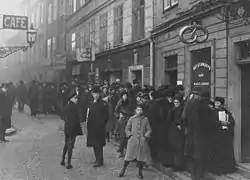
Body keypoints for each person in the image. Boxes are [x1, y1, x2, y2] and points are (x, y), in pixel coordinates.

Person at [118, 104, 152, 179]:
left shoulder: (145, 119)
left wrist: (145, 137)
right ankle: (123, 170)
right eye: (138, 110)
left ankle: (140, 172)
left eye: (140, 110)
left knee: (140, 158)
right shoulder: (132, 119)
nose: (139, 111)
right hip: (133, 141)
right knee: (128, 157)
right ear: (135, 111)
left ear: (143, 111)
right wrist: (130, 136)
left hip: (141, 142)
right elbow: (127, 128)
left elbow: (149, 129)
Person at [211, 97, 236, 174]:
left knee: (226, 152)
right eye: (215, 102)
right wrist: (220, 123)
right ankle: (218, 169)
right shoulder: (212, 112)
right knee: (217, 153)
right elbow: (211, 123)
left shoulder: (226, 112)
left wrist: (228, 123)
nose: (216, 104)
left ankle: (227, 168)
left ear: (222, 104)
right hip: (216, 135)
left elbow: (232, 121)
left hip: (225, 136)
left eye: (218, 103)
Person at [86, 86, 109, 167]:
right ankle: (97, 159)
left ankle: (100, 160)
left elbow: (106, 116)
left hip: (99, 127)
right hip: (92, 127)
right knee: (94, 144)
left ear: (99, 94)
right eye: (94, 94)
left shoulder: (103, 104)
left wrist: (102, 124)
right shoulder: (92, 104)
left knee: (99, 144)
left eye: (96, 94)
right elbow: (89, 116)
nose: (95, 95)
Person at [60, 90, 83, 169]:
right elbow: (78, 118)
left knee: (66, 144)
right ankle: (68, 163)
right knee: (71, 146)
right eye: (75, 98)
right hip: (73, 129)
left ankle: (62, 160)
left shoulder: (66, 106)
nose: (76, 99)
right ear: (71, 98)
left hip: (67, 128)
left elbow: (62, 116)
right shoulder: (75, 107)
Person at [167, 95, 185, 170]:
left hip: (181, 131)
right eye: (175, 102)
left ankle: (180, 164)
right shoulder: (172, 110)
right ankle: (175, 164)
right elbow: (169, 120)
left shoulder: (183, 110)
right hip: (174, 131)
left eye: (177, 102)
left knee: (180, 148)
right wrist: (176, 124)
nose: (176, 103)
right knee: (175, 148)